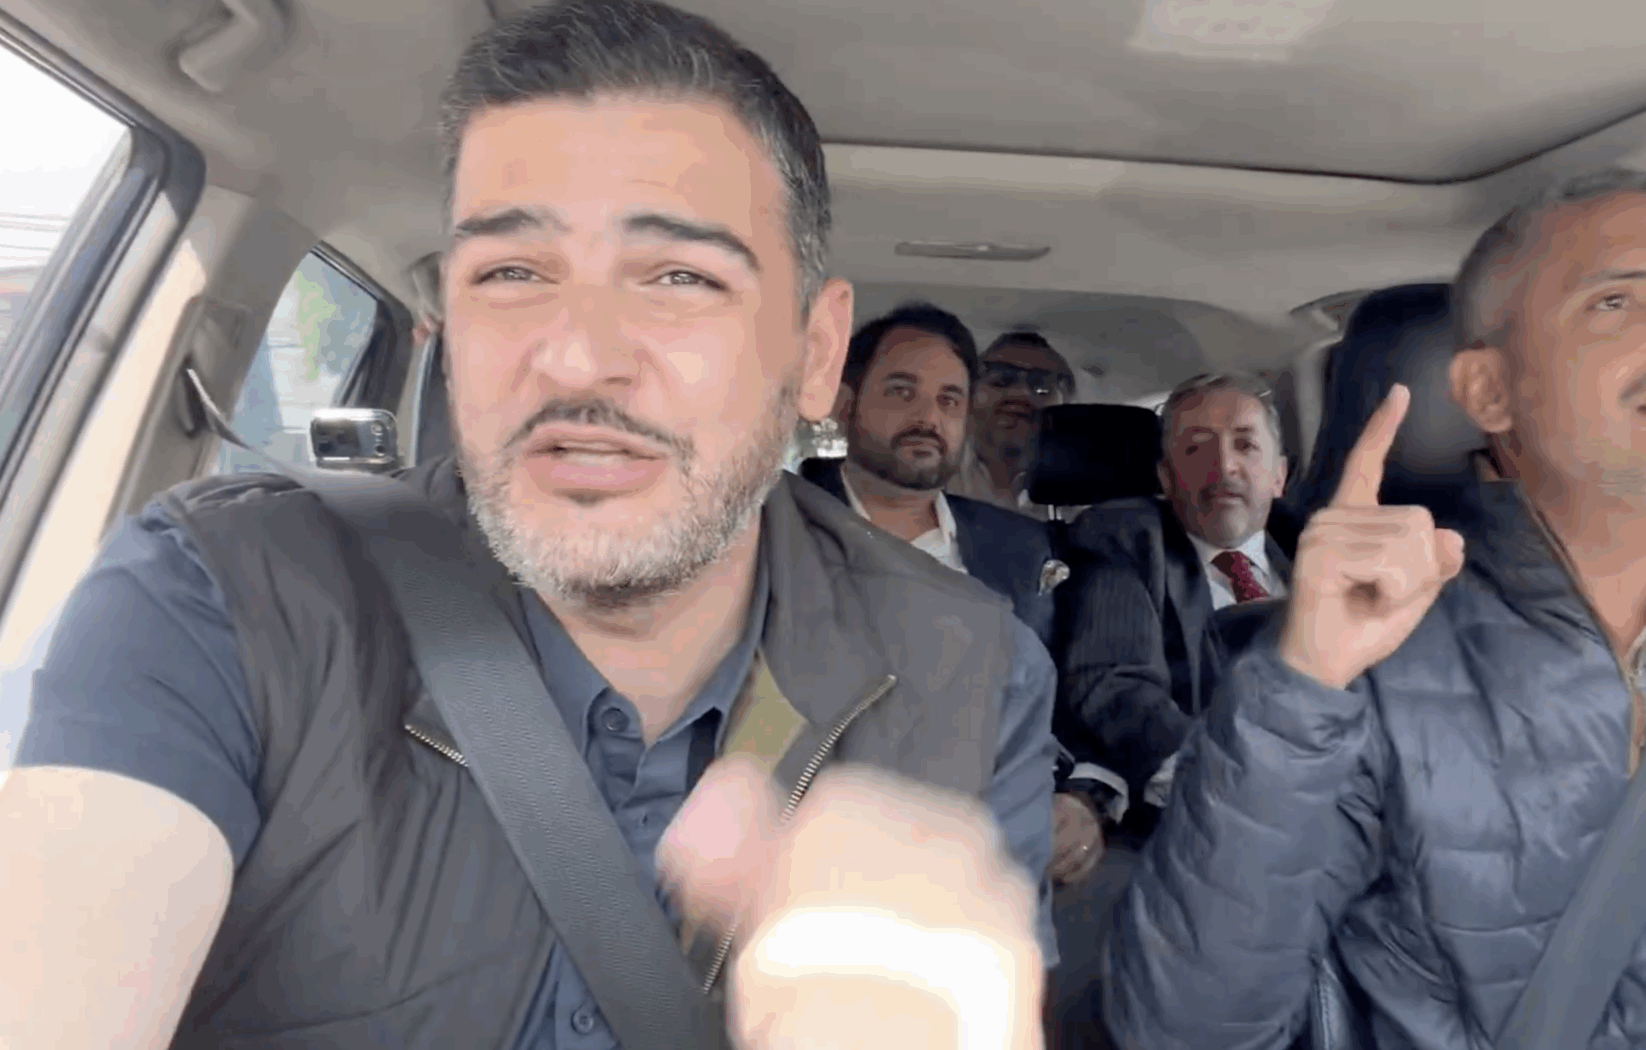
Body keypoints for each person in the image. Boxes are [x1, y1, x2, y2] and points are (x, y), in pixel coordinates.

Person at [0, 3, 1058, 1048]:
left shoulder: (974, 672)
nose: (576, 358)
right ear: (449, 326)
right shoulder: (221, 598)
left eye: (680, 278)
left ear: (815, 354)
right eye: (512, 273)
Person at [1104, 169, 1646, 1049]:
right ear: (1490, 392)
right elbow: (1185, 1028)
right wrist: (1298, 688)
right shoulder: (1355, 662)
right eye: (1616, 301)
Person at [794, 301, 1115, 889]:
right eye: (901, 392)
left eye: (950, 400)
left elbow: (1069, 699)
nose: (928, 417)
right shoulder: (779, 527)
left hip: (990, 852)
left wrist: (1083, 795)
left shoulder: (1023, 548)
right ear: (843, 406)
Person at [1056, 371, 1292, 838]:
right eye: (1197, 449)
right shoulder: (1126, 539)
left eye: (1245, 445)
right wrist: (1232, 778)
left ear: (1280, 475)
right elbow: (1115, 685)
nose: (1224, 467)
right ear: (1166, 477)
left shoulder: (1320, 549)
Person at [948, 331, 1080, 519]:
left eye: (1042, 386)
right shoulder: (935, 472)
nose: (1021, 393)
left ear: (1065, 407)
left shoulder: (1084, 494)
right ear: (969, 395)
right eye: (1001, 379)